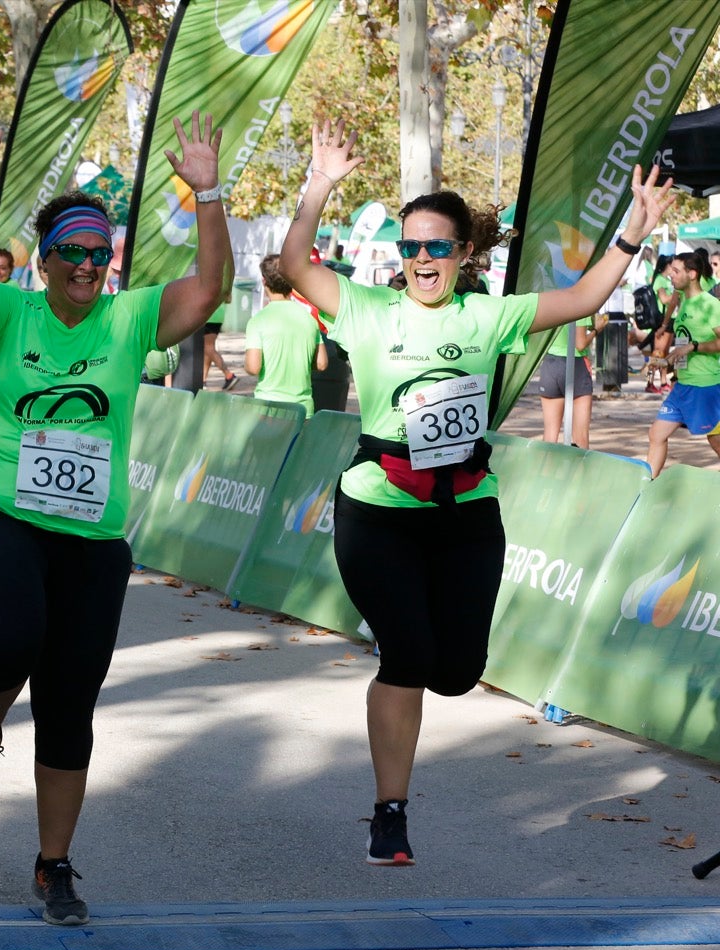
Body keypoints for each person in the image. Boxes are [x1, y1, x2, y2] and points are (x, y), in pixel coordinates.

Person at [277, 117, 677, 867]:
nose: (421, 260)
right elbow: (295, 261)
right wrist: (320, 183)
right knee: (407, 653)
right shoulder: (367, 308)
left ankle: (418, 662)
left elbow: (586, 298)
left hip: (466, 511)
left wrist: (634, 230)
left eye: (436, 247)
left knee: (456, 670)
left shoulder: (490, 315)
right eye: (410, 248)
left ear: (464, 254)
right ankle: (389, 812)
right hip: (379, 507)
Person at [0, 105, 230, 926]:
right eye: (74, 252)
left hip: (93, 541)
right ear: (48, 258)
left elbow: (209, 289)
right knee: (14, 634)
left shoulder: (130, 319)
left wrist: (209, 195)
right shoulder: (10, 314)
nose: (89, 267)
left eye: (101, 254)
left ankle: (52, 865)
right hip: (1, 518)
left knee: (70, 703)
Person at [646, 250, 720, 476]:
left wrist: (694, 346)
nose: (670, 275)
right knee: (656, 435)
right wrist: (666, 362)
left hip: (705, 388)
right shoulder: (685, 304)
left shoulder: (710, 305)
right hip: (683, 387)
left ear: (692, 274)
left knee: (716, 441)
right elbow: (683, 345)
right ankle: (646, 485)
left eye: (676, 271)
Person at [243, 254, 327, 415]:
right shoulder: (309, 319)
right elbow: (321, 364)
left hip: (268, 408)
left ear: (264, 282)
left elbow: (253, 367)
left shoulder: (258, 320)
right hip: (302, 409)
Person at [539, 316, 597, 449]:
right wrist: (596, 330)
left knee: (549, 435)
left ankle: (544, 469)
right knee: (580, 437)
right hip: (576, 365)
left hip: (550, 364)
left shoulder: (551, 299)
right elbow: (580, 343)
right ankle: (579, 470)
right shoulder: (581, 303)